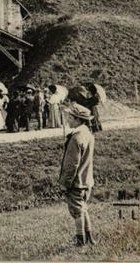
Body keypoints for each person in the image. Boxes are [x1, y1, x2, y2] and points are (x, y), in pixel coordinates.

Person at [59, 103, 95, 246]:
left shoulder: (75, 138)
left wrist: (65, 183)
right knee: (83, 208)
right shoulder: (88, 135)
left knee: (76, 211)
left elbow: (71, 165)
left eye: (71, 117)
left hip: (76, 181)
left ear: (78, 119)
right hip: (87, 179)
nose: (68, 119)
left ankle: (80, 240)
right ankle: (89, 237)